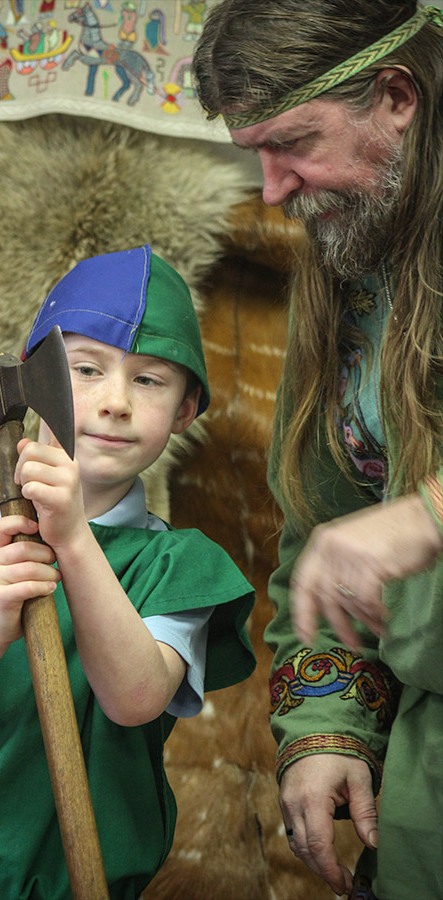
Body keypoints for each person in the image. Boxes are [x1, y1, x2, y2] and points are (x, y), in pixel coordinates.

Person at [0, 245, 256, 900]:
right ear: (35, 375)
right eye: (87, 369)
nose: (116, 400)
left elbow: (136, 697)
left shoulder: (177, 567)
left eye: (149, 380)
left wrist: (72, 542)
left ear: (185, 410)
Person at [194, 3, 443, 899]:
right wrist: (329, 728)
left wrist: (430, 517)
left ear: (396, 95)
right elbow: (325, 531)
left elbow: (398, 529)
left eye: (293, 142)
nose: (271, 189)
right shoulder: (347, 258)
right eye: (253, 152)